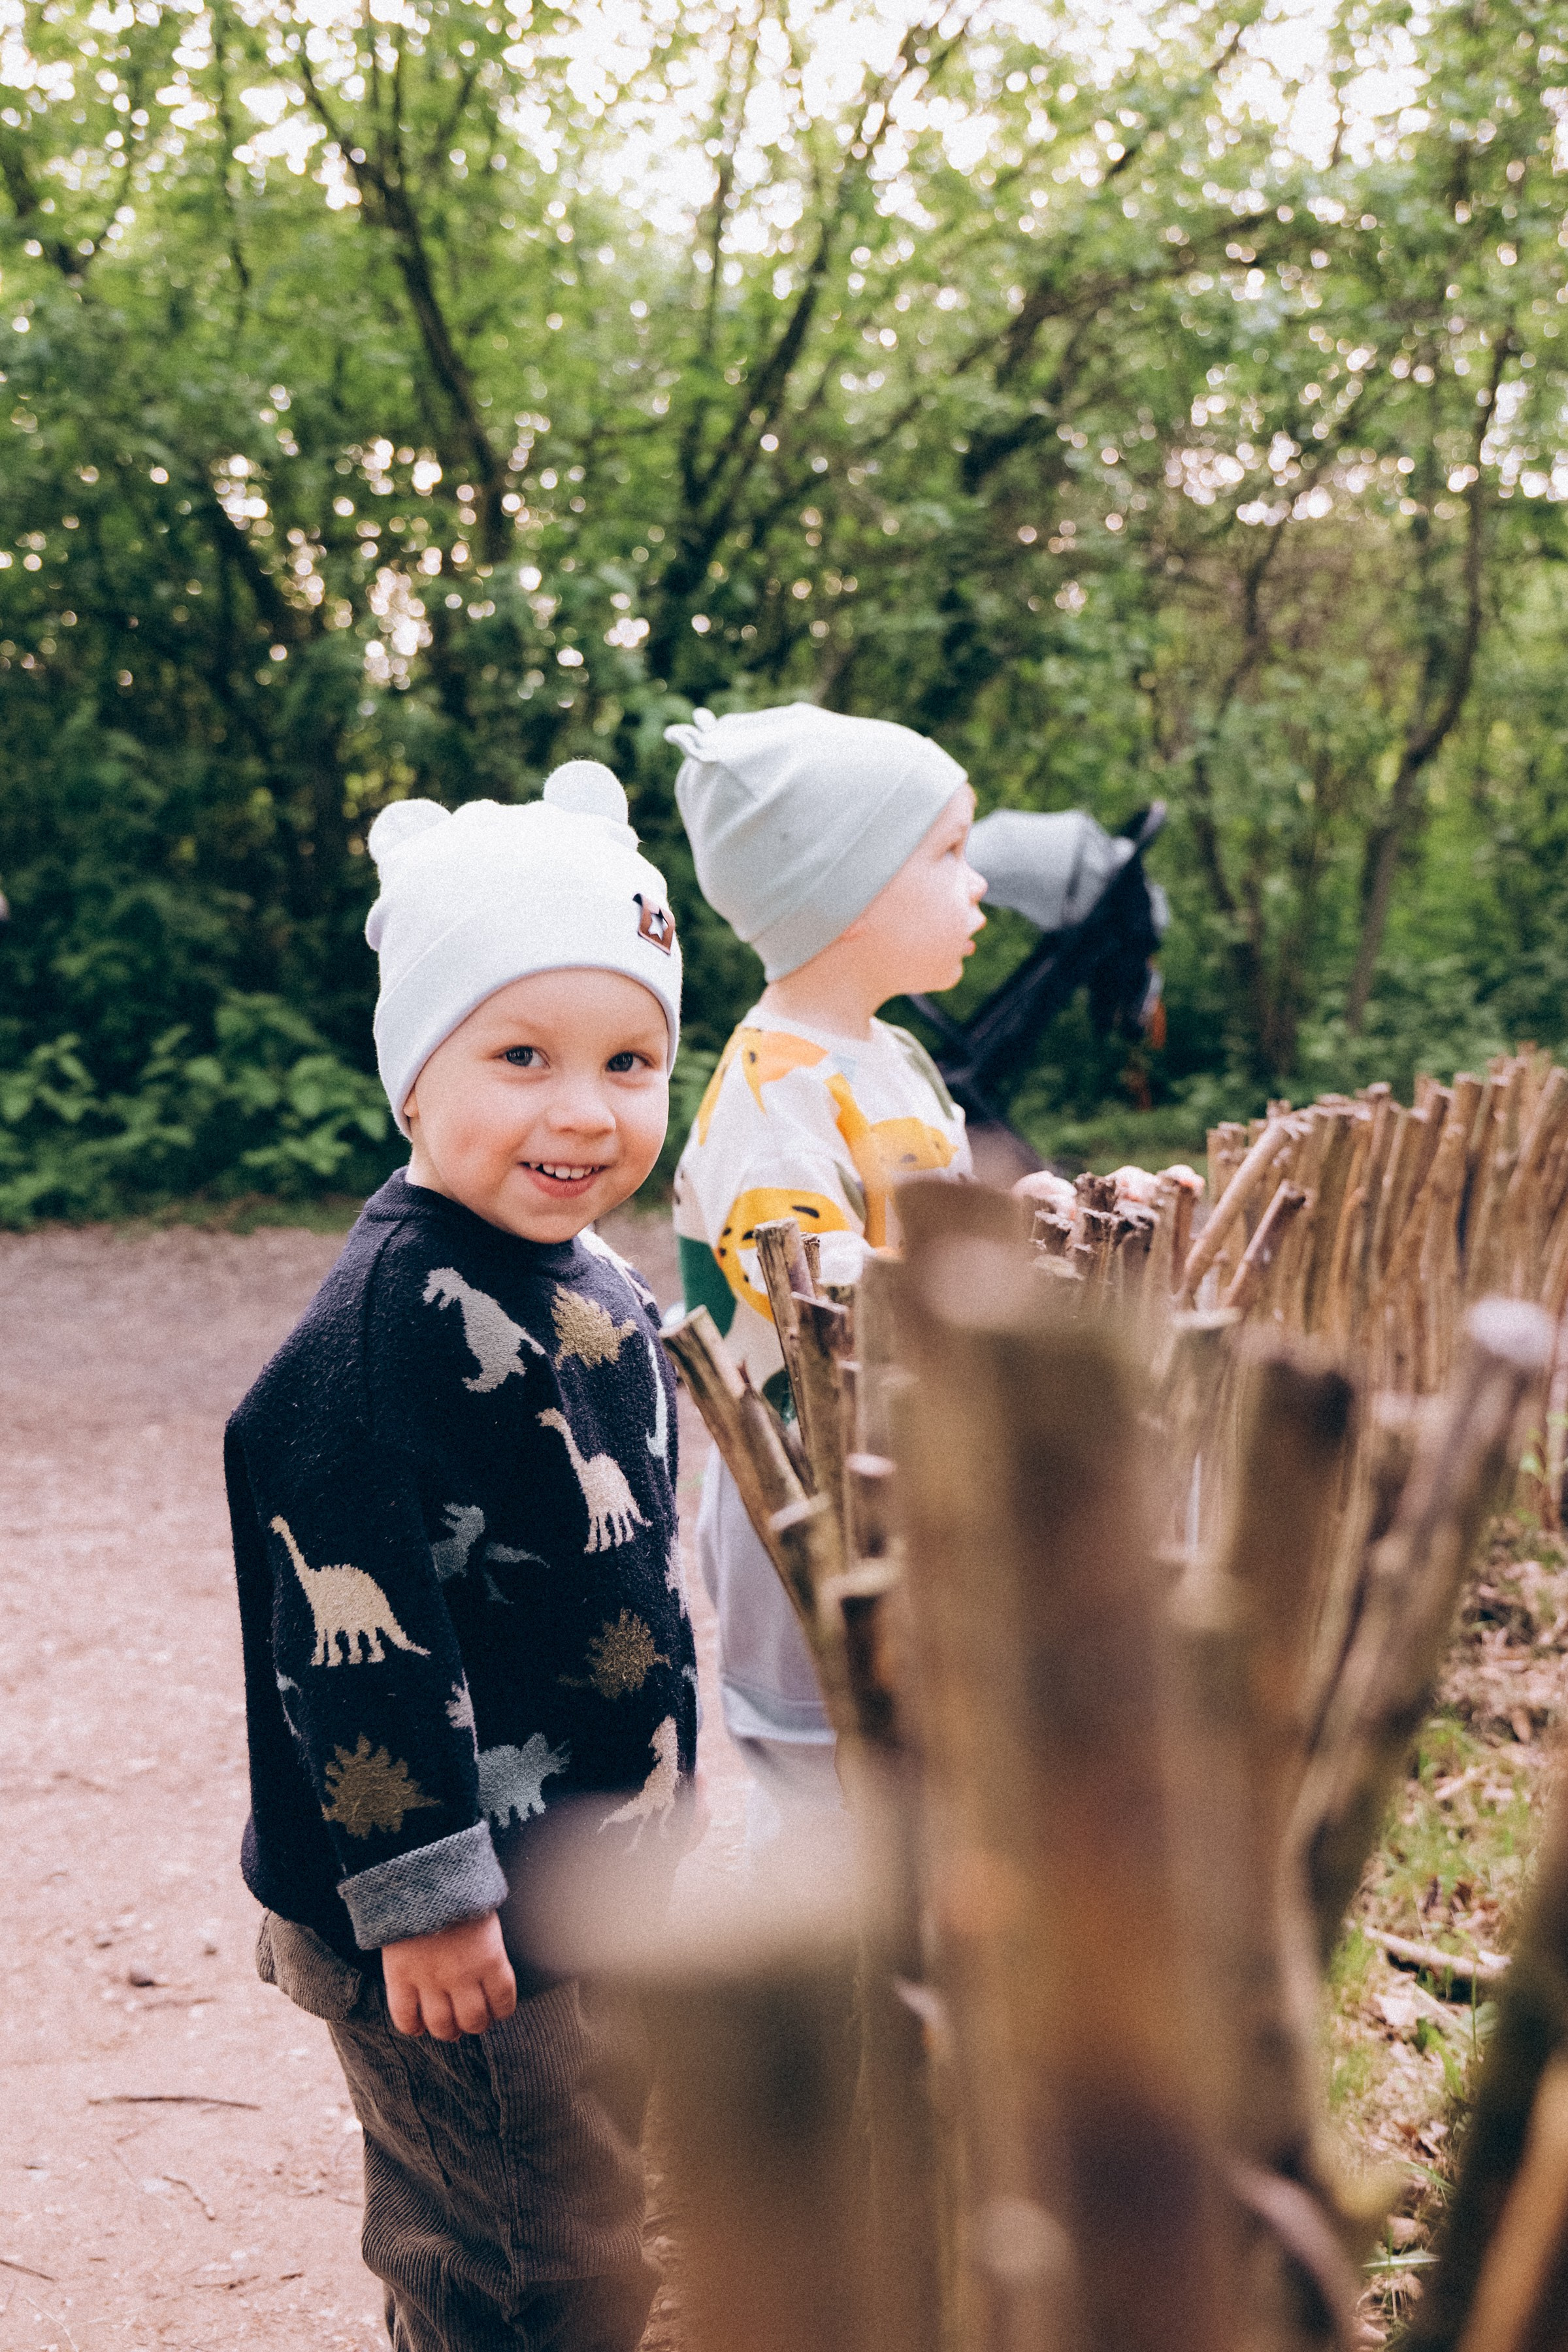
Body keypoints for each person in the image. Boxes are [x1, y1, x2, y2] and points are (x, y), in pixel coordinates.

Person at [225, 762, 697, 2352]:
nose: (586, 1106)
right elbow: (343, 1629)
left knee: (586, 2211)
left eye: (632, 1060)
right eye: (522, 1055)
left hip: (577, 1870)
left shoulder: (585, 1274)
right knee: (513, 2257)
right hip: (445, 1911)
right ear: (412, 1080)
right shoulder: (374, 1346)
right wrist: (424, 1892)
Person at [666, 702, 985, 1846]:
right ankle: (807, 1996)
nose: (979, 883)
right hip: (796, 1501)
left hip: (889, 1479)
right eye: (948, 853)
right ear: (840, 893)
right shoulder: (771, 1087)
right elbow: (814, 1286)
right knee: (819, 1784)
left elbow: (929, 1219)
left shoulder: (890, 1057)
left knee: (907, 1763)